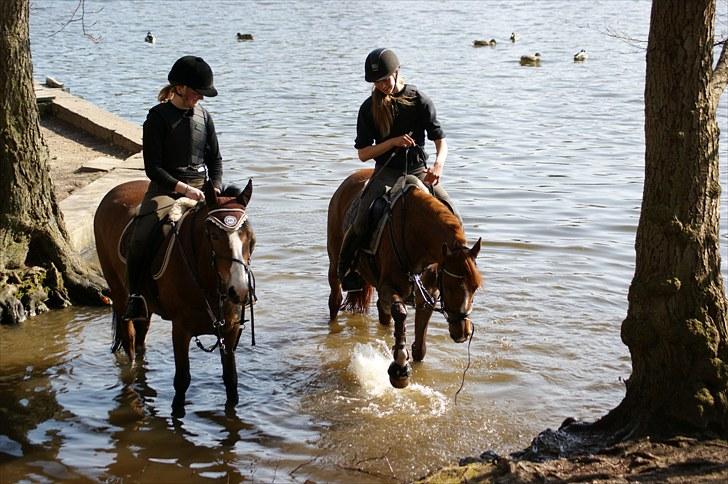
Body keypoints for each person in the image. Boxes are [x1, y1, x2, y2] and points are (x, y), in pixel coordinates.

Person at [338, 48, 459, 291]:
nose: (381, 85)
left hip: (418, 171)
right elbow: (363, 154)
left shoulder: (419, 100)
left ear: (397, 73)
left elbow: (441, 141)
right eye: (376, 82)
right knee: (361, 217)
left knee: (452, 214)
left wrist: (438, 165)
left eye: (384, 79)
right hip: (386, 172)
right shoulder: (368, 108)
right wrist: (392, 143)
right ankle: (346, 270)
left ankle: (459, 270)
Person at [124, 55, 223, 321]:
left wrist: (215, 187)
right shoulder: (157, 118)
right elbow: (152, 168)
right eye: (196, 93)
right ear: (179, 88)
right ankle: (135, 296)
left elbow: (215, 159)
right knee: (142, 234)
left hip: (202, 189)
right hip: (165, 190)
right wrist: (183, 189)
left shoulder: (205, 117)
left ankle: (232, 291)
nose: (199, 99)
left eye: (202, 95)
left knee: (233, 228)